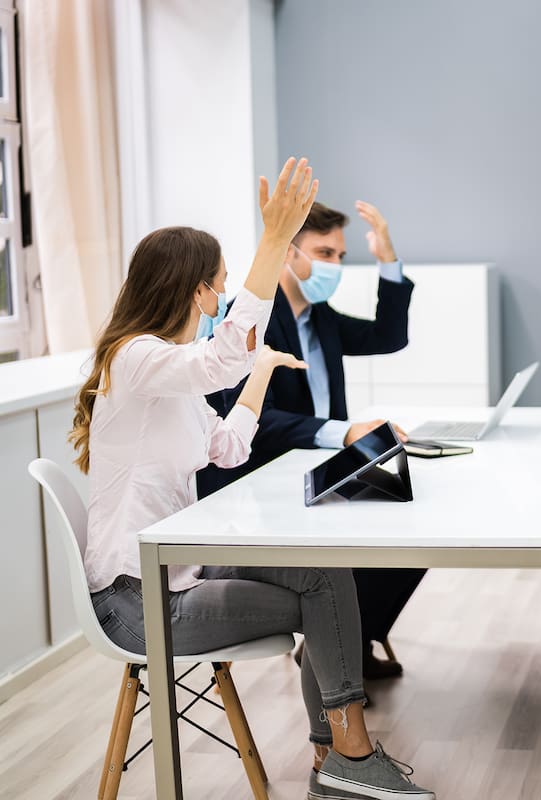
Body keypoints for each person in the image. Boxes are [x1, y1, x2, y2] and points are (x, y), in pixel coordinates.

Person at [72, 158, 436, 800]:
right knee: (323, 591)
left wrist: (262, 369)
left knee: (325, 577)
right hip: (139, 603)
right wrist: (272, 244)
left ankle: (339, 757)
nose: (221, 299)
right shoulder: (136, 358)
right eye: (218, 286)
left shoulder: (170, 374)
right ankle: (345, 756)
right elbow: (221, 359)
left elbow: (228, 447)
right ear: (198, 292)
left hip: (177, 572)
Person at [197, 200, 424, 680]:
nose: (334, 266)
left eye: (340, 256)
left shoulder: (319, 317)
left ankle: (349, 643)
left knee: (415, 532)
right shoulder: (250, 319)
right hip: (263, 478)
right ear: (288, 254)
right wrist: (346, 432)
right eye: (324, 252)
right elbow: (258, 419)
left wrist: (387, 258)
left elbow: (390, 335)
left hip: (316, 467)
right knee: (388, 526)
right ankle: (337, 646)